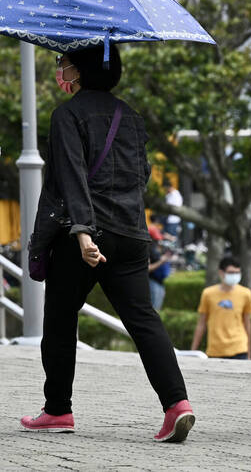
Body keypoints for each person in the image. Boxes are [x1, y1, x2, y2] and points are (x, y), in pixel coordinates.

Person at [20, 45, 195, 443]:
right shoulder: (131, 117)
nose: (61, 68)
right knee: (144, 319)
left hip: (86, 234)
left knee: (61, 319)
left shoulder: (67, 114)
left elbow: (71, 173)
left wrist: (82, 232)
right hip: (132, 233)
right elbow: (142, 175)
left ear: (79, 70)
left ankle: (58, 410)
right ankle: (177, 405)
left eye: (63, 62)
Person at [190, 257, 251, 359]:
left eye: (237, 272)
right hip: (215, 350)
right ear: (221, 273)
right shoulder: (208, 293)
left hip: (239, 349)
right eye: (231, 272)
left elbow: (247, 324)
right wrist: (193, 351)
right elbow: (201, 324)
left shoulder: (246, 293)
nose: (235, 275)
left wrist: (249, 353)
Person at [148, 225, 171, 311]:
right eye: (155, 240)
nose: (157, 241)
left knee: (157, 310)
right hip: (152, 282)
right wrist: (161, 261)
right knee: (153, 310)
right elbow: (147, 268)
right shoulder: (146, 249)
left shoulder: (155, 248)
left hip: (159, 283)